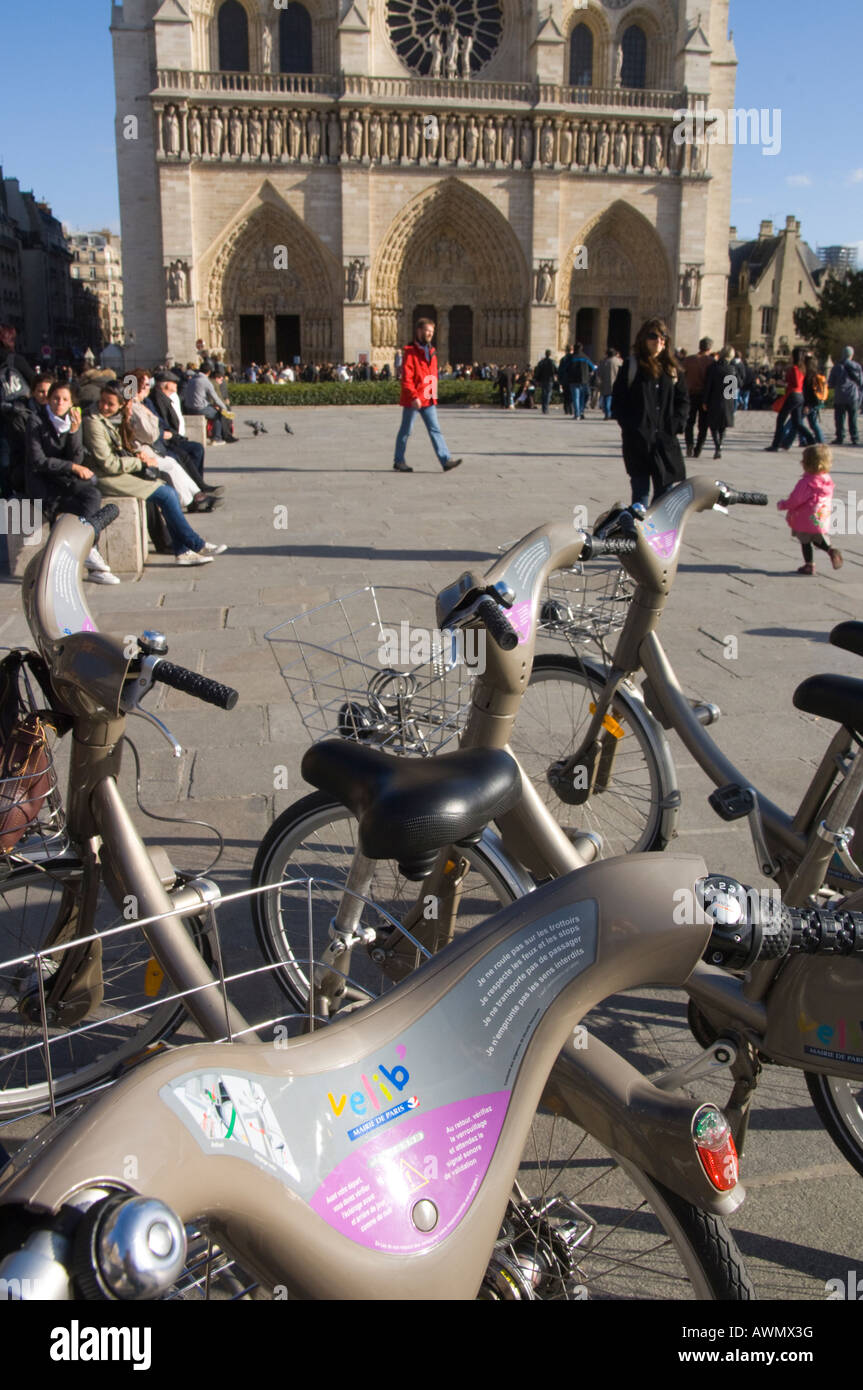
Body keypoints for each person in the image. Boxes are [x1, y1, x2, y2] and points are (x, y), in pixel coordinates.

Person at [82, 382, 226, 567]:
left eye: (110, 404)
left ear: (120, 404)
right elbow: (108, 463)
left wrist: (135, 452)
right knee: (166, 494)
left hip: (116, 471)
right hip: (105, 477)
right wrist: (139, 462)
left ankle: (184, 550)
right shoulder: (93, 422)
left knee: (168, 491)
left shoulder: (107, 418)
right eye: (103, 401)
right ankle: (194, 545)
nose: (104, 407)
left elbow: (125, 446)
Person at [24, 381, 120, 584]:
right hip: (43, 482)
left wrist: (75, 432)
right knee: (63, 510)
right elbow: (38, 461)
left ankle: (88, 549)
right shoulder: (36, 421)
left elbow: (76, 458)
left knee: (92, 495)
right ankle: (88, 556)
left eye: (65, 399)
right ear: (49, 400)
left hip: (64, 481)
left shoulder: (72, 421)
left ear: (71, 403)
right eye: (56, 398)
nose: (60, 402)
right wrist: (72, 468)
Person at [611, 317, 688, 507]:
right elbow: (618, 402)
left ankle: (654, 534)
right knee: (640, 495)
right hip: (638, 442)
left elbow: (683, 401)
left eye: (663, 337)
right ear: (643, 339)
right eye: (653, 336)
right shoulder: (631, 366)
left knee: (665, 495)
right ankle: (639, 533)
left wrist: (676, 424)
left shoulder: (673, 369)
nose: (659, 341)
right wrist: (632, 426)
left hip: (664, 442)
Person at [126, 370, 222, 513]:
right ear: (137, 387)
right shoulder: (135, 407)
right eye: (146, 384)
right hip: (143, 449)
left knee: (174, 461)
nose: (149, 387)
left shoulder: (140, 404)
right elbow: (151, 433)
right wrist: (151, 416)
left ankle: (197, 495)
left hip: (151, 446)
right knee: (173, 462)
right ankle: (193, 500)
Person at [393, 318, 462, 473]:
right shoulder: (410, 352)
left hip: (428, 397)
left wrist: (432, 395)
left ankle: (445, 460)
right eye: (427, 330)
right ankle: (398, 461)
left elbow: (432, 375)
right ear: (419, 331)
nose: (430, 333)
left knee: (435, 430)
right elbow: (407, 378)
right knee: (406, 430)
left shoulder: (431, 351)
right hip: (415, 399)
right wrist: (413, 396)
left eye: (432, 331)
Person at [777, 443, 842, 575]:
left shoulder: (806, 482)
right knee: (818, 538)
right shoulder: (827, 480)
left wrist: (783, 504)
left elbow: (796, 500)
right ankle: (830, 550)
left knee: (805, 541)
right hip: (821, 516)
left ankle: (809, 565)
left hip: (805, 517)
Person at [0, 322, 37, 499]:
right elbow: (35, 383)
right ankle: (16, 512)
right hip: (15, 419)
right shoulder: (15, 360)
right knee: (16, 462)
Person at [764, 347, 815, 452]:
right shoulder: (802, 368)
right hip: (799, 396)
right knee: (797, 422)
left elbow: (795, 383)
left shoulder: (795, 369)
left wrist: (782, 383)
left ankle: (776, 444)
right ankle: (811, 440)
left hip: (793, 395)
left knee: (781, 419)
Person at [695, 345, 736, 459]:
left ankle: (717, 446)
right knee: (723, 426)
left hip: (714, 399)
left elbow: (708, 385)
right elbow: (734, 388)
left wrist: (705, 400)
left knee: (713, 426)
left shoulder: (713, 368)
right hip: (727, 400)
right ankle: (720, 446)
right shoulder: (732, 369)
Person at [682, 338, 714, 456]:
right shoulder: (711, 362)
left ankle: (689, 444)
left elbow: (681, 376)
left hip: (690, 394)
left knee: (689, 422)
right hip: (705, 396)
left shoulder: (688, 360)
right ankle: (699, 447)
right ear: (710, 348)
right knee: (703, 424)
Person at [828, 346, 862, 447]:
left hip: (840, 397)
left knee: (839, 419)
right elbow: (860, 382)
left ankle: (840, 437)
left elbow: (831, 383)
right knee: (853, 419)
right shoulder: (857, 366)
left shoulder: (837, 367)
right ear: (852, 355)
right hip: (853, 396)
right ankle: (854, 438)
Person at [801, 354, 826, 445]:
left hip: (809, 403)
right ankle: (821, 440)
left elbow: (808, 392)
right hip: (815, 403)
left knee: (799, 422)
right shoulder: (816, 374)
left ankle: (804, 440)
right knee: (813, 423)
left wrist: (807, 405)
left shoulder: (809, 376)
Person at [567, 342, 596, 420]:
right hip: (584, 380)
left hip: (573, 380)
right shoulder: (585, 357)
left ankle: (577, 414)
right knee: (582, 397)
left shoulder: (570, 358)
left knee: (575, 397)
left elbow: (566, 368)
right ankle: (581, 411)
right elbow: (593, 367)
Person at [597, 347, 622, 420]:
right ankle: (613, 413)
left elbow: (599, 373)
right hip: (617, 383)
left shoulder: (604, 362)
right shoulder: (619, 361)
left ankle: (607, 413)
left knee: (606, 399)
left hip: (606, 383)